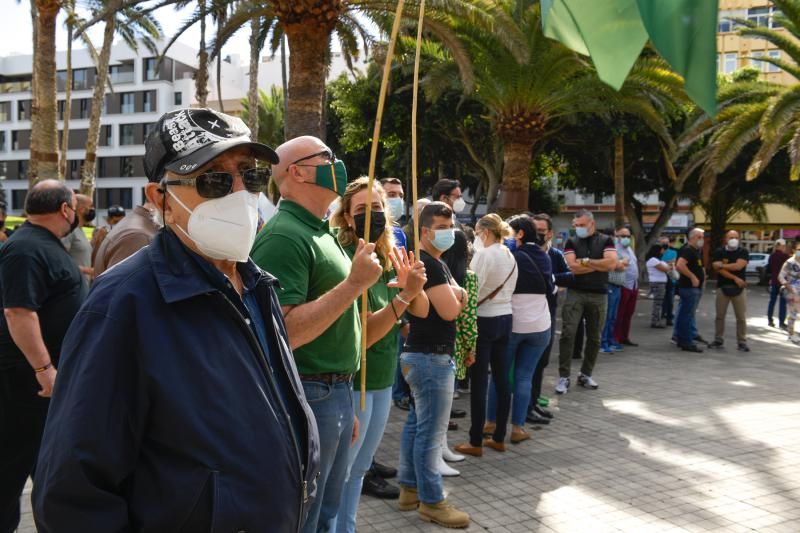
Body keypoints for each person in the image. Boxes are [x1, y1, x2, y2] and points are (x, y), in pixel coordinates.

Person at [32, 108, 319, 532]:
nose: (241, 194)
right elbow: (73, 495)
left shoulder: (257, 285)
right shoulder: (122, 306)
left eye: (250, 176)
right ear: (160, 197)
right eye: (214, 179)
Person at [251, 135, 383, 533]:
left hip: (332, 395)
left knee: (326, 510)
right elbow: (283, 331)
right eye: (327, 157)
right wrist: (354, 285)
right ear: (297, 171)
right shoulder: (284, 236)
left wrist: (343, 400)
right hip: (310, 393)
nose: (337, 164)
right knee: (304, 516)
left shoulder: (320, 231)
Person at [331, 178, 429, 533]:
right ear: (345, 217)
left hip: (384, 376)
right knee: (342, 473)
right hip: (354, 381)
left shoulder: (389, 257)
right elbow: (365, 336)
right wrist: (403, 300)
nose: (371, 216)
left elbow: (421, 310)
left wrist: (412, 286)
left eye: (377, 209)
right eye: (361, 210)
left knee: (359, 470)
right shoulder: (346, 260)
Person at [0, 180, 86, 533]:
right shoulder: (25, 249)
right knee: (11, 467)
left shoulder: (39, 245)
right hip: (26, 383)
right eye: (75, 208)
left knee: (44, 466)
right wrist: (44, 369)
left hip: (39, 383)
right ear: (66, 209)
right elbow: (19, 312)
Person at [398, 202, 470, 528]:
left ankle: (409, 489)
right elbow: (451, 310)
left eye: (451, 225)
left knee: (416, 424)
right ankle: (432, 501)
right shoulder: (431, 265)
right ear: (425, 231)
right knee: (430, 432)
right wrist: (462, 296)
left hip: (421, 355)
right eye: (442, 227)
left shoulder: (430, 262)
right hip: (432, 358)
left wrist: (459, 294)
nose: (449, 233)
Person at [454, 214, 517, 457]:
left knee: (479, 382)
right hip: (506, 317)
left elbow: (471, 290)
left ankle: (475, 440)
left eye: (478, 233)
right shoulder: (510, 254)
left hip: (485, 319)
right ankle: (499, 436)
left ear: (485, 232)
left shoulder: (484, 255)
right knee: (502, 380)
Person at [485, 215, 552, 443]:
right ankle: (517, 428)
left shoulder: (511, 256)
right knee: (525, 377)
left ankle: (491, 422)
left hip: (512, 324)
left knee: (499, 376)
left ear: (520, 234)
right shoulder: (543, 255)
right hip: (541, 325)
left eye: (509, 231)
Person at [556, 210, 617, 394]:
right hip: (576, 292)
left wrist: (586, 261)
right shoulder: (571, 241)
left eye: (581, 225)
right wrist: (598, 265)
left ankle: (585, 374)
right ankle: (564, 376)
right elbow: (572, 267)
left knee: (595, 337)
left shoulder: (606, 240)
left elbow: (612, 264)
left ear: (592, 224)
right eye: (575, 225)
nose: (578, 228)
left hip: (599, 294)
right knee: (568, 333)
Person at [528, 213, 571, 424]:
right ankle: (526, 407)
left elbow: (568, 275)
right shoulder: (523, 253)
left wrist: (551, 279)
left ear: (550, 233)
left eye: (541, 232)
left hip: (549, 313)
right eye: (534, 231)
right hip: (527, 316)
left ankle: (534, 402)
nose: (537, 235)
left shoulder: (555, 254)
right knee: (528, 364)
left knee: (542, 361)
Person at [92, 201, 161, 277]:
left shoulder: (127, 230)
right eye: (115, 221)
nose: (117, 223)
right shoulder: (135, 237)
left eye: (120, 220)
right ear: (109, 220)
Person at [709, 230, 750, 352]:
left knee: (741, 317)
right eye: (731, 237)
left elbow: (738, 266)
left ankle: (742, 341)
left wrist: (721, 265)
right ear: (725, 239)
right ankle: (718, 339)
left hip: (739, 289)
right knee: (720, 316)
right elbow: (718, 271)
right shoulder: (719, 251)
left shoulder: (743, 251)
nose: (734, 239)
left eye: (736, 237)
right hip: (723, 287)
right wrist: (735, 277)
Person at [674, 228, 706, 352]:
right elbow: (680, 265)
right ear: (693, 237)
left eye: (702, 237)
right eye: (700, 237)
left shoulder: (696, 251)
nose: (702, 239)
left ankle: (682, 339)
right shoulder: (688, 250)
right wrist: (692, 276)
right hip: (688, 288)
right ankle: (686, 341)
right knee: (686, 315)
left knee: (685, 314)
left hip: (693, 288)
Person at [600, 229, 628, 354]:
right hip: (610, 286)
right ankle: (603, 343)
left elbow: (624, 263)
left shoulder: (616, 249)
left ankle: (610, 341)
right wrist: (621, 263)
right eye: (613, 236)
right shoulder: (604, 250)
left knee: (613, 317)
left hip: (617, 286)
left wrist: (621, 263)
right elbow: (614, 265)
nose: (615, 238)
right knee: (607, 316)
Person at [612, 226, 639, 347]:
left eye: (628, 236)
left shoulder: (629, 249)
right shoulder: (614, 250)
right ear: (617, 237)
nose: (626, 238)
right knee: (620, 313)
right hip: (623, 284)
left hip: (633, 285)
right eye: (623, 236)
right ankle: (616, 338)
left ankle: (624, 336)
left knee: (629, 313)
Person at [61, 193, 96, 283]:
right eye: (91, 206)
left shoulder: (80, 230)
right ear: (81, 209)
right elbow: (60, 261)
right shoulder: (69, 231)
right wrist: (89, 271)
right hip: (73, 288)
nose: (93, 210)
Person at [778, 241, 800, 344]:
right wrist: (789, 287)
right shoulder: (789, 262)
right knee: (793, 314)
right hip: (792, 292)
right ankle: (791, 334)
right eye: (799, 249)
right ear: (794, 250)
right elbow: (780, 276)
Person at [646, 244, 672, 328]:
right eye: (661, 250)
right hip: (658, 283)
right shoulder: (653, 260)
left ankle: (656, 320)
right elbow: (665, 269)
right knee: (658, 302)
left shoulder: (656, 260)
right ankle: (655, 321)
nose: (662, 252)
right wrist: (670, 266)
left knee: (659, 302)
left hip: (659, 282)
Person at [767, 238, 789, 329]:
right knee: (783, 303)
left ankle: (770, 320)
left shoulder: (772, 256)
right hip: (783, 282)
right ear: (782, 246)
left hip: (774, 281)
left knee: (772, 301)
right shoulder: (786, 257)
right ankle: (781, 323)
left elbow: (769, 269)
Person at [660, 236, 678, 325]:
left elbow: (672, 263)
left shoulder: (673, 252)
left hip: (671, 279)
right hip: (660, 280)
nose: (665, 244)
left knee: (670, 299)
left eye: (666, 243)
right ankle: (662, 315)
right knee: (662, 299)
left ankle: (669, 317)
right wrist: (667, 264)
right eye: (663, 243)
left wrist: (663, 264)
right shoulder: (658, 253)